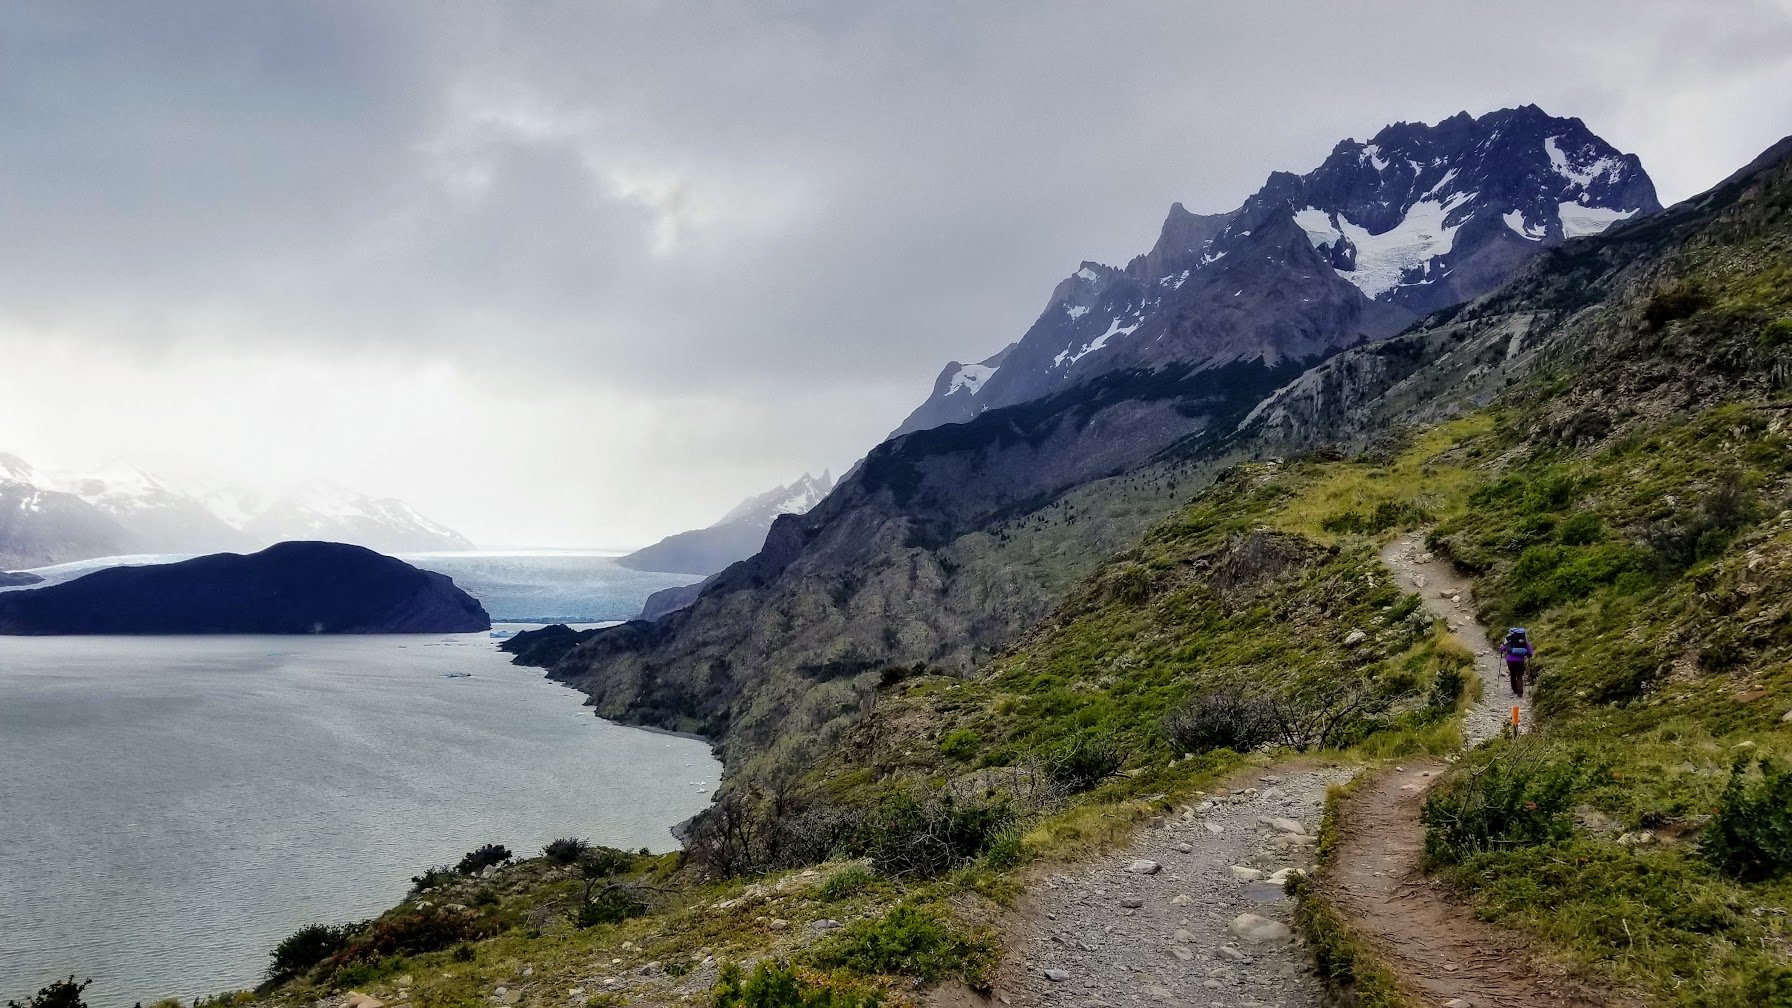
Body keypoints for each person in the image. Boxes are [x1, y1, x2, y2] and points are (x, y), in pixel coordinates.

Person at [1499, 627, 1534, 697]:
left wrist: (1502, 648)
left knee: (1512, 674)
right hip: (1520, 661)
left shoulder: (1509, 640)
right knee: (1519, 676)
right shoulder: (1524, 642)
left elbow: (1502, 648)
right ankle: (1520, 692)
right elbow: (1530, 651)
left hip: (1510, 660)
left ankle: (1514, 689)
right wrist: (1528, 655)